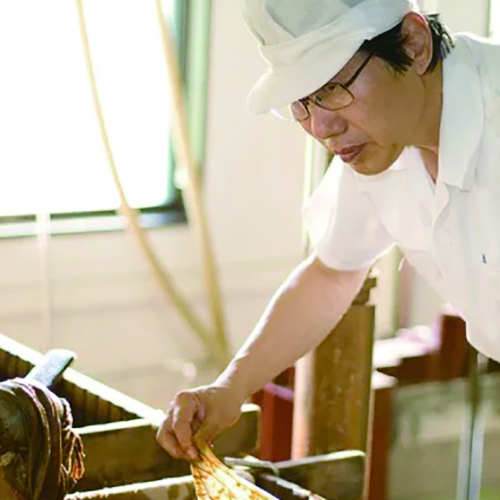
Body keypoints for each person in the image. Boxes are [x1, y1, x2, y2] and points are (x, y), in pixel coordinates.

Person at [157, 0, 500, 461]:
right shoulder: (381, 141)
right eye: (302, 102)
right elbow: (333, 273)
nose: (321, 127)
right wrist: (228, 390)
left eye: (334, 88)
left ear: (413, 45)